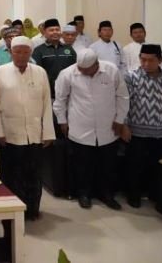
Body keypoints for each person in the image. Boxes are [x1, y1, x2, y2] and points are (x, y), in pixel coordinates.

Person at [53, 49, 129, 210]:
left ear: (96, 64)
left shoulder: (111, 71)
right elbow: (60, 100)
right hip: (80, 127)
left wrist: (120, 119)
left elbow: (122, 96)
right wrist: (62, 122)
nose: (82, 72)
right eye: (80, 68)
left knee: (108, 165)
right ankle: (84, 194)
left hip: (108, 128)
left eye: (86, 69)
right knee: (82, 165)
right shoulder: (67, 74)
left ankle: (107, 195)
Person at [0, 36, 55, 220]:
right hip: (9, 134)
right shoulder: (0, 73)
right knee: (11, 175)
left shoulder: (40, 72)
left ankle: (32, 210)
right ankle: (11, 212)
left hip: (34, 134)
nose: (21, 55)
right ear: (11, 52)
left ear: (30, 53)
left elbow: (47, 104)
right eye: (17, 52)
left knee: (33, 174)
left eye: (25, 52)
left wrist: (48, 132)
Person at [122, 44, 162, 209]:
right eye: (143, 60)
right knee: (135, 166)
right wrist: (124, 125)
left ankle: (158, 197)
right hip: (136, 131)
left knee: (159, 167)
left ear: (160, 60)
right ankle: (134, 196)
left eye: (151, 60)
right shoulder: (131, 76)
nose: (146, 64)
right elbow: (124, 103)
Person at [32, 18, 77, 100]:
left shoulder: (69, 49)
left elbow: (76, 69)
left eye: (57, 29)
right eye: (51, 30)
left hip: (68, 93)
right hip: (48, 94)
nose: (55, 32)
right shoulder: (39, 51)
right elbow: (36, 73)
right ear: (44, 32)